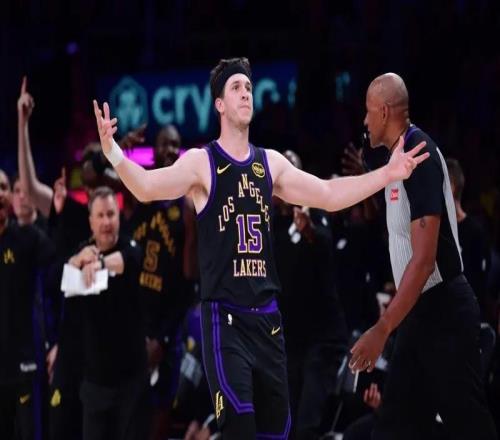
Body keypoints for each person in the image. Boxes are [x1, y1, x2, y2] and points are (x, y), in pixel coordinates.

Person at [93, 57, 428, 439]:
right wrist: (113, 152)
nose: (245, 93)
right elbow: (146, 187)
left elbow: (328, 193)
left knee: (276, 433)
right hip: (225, 320)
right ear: (219, 104)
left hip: (268, 321)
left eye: (249, 87)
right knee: (239, 429)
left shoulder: (270, 163)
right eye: (236, 87)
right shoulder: (202, 162)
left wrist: (388, 173)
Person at [349, 73, 497, 439]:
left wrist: (383, 328)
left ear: (384, 112)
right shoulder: (397, 160)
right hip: (417, 311)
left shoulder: (421, 154)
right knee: (393, 428)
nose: (365, 120)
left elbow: (425, 260)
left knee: (466, 423)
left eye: (368, 111)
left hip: (444, 310)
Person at [273, 150, 348, 439]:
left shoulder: (315, 211)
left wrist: (310, 232)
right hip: (291, 340)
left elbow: (326, 245)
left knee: (306, 427)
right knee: (283, 424)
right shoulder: (271, 225)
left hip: (323, 341)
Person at [66, 186, 150, 440]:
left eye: (111, 214)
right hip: (95, 380)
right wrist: (77, 261)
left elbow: (128, 260)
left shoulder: (130, 246)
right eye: (100, 216)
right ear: (90, 221)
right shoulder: (82, 253)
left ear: (119, 216)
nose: (106, 222)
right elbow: (64, 282)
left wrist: (99, 263)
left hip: (131, 380)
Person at [0, 169, 54, 440]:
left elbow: (61, 262)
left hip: (24, 364)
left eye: (3, 187)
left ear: (10, 196)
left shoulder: (28, 237)